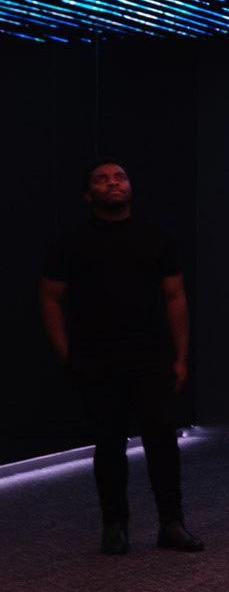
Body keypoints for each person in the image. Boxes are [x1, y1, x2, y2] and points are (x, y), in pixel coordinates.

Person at [39, 160, 204, 555]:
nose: (113, 183)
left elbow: (175, 297)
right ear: (88, 193)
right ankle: (114, 526)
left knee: (162, 442)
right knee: (108, 445)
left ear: (130, 187)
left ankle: (172, 523)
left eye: (120, 177)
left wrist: (180, 356)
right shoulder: (69, 241)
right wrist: (67, 355)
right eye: (102, 179)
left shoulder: (156, 238)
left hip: (151, 356)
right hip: (96, 359)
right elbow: (50, 298)